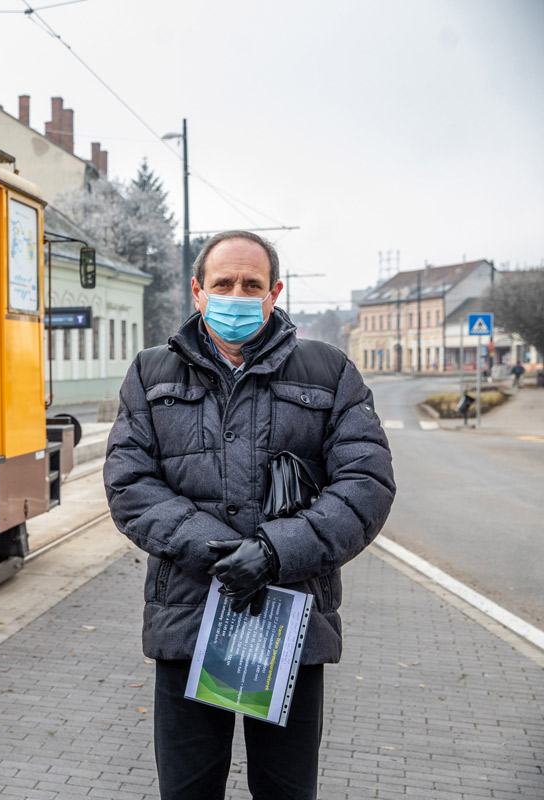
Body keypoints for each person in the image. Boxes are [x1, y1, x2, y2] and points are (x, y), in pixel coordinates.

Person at [104, 231, 395, 800]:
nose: (236, 295)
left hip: (289, 623)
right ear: (197, 291)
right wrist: (216, 550)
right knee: (188, 790)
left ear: (274, 292)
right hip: (188, 618)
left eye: (251, 284)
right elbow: (128, 484)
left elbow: (367, 485)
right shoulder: (151, 372)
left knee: (285, 790)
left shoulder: (329, 371)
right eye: (223, 283)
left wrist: (272, 552)